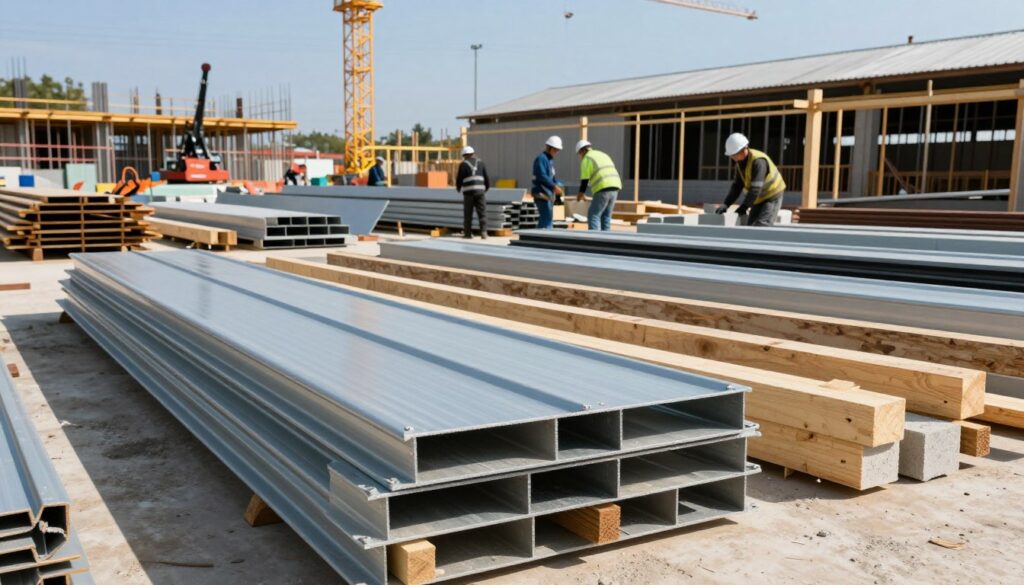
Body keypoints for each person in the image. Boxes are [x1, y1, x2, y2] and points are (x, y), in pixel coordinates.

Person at [715, 132, 786, 226]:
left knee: (762, 225)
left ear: (743, 150)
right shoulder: (740, 163)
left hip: (772, 196)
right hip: (758, 198)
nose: (732, 157)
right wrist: (726, 204)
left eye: (734, 154)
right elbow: (737, 186)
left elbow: (755, 189)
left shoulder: (758, 162)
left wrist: (744, 207)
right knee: (750, 226)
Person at [575, 140, 623, 231]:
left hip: (603, 187)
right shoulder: (602, 154)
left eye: (579, 154)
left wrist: (580, 194)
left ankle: (595, 238)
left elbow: (585, 180)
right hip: (615, 187)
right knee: (606, 216)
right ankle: (606, 238)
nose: (580, 157)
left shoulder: (587, 158)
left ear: (582, 151)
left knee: (593, 215)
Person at [455, 145, 491, 239]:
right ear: (473, 154)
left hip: (468, 193)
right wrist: (487, 187)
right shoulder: (481, 163)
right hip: (480, 192)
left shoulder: (463, 165)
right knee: (482, 213)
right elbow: (486, 177)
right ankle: (484, 233)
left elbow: (459, 178)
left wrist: (458, 188)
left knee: (468, 214)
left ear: (464, 155)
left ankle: (467, 234)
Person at [531, 136, 563, 229]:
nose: (556, 152)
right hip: (541, 193)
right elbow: (541, 176)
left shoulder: (549, 160)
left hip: (547, 194)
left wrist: (557, 184)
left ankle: (540, 235)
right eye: (555, 149)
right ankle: (545, 235)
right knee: (546, 220)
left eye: (557, 150)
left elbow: (551, 176)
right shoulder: (541, 159)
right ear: (549, 147)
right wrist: (554, 186)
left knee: (546, 219)